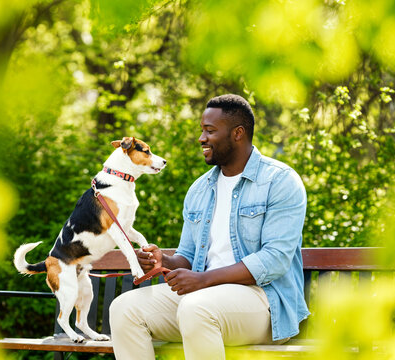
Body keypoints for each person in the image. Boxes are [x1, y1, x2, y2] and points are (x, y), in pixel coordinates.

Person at [109, 94, 309, 359]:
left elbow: (275, 260)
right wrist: (164, 261)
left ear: (238, 133)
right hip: (204, 298)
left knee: (196, 307)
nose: (201, 138)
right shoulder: (200, 189)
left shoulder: (280, 181)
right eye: (202, 130)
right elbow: (189, 258)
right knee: (124, 308)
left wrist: (204, 280)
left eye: (210, 131)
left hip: (265, 302)